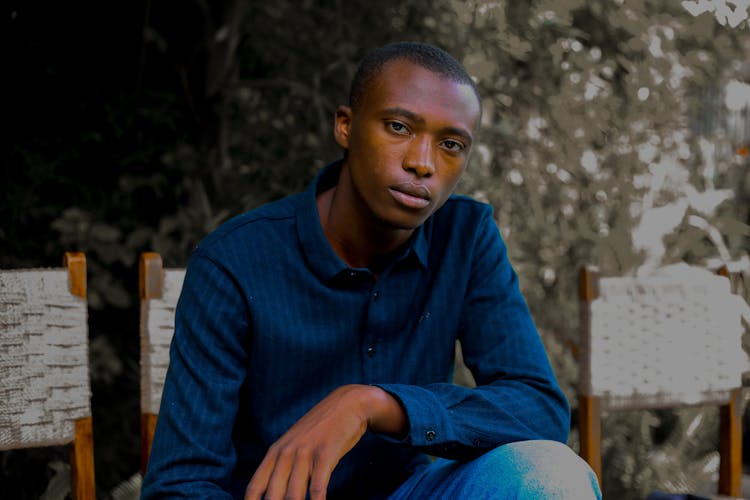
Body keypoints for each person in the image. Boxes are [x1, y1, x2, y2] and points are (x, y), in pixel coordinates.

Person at [141, 41, 601, 499]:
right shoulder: (233, 262)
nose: (422, 162)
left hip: (409, 493)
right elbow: (180, 486)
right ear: (346, 126)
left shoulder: (465, 237)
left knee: (550, 473)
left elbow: (538, 409)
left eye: (451, 144)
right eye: (399, 127)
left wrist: (373, 404)